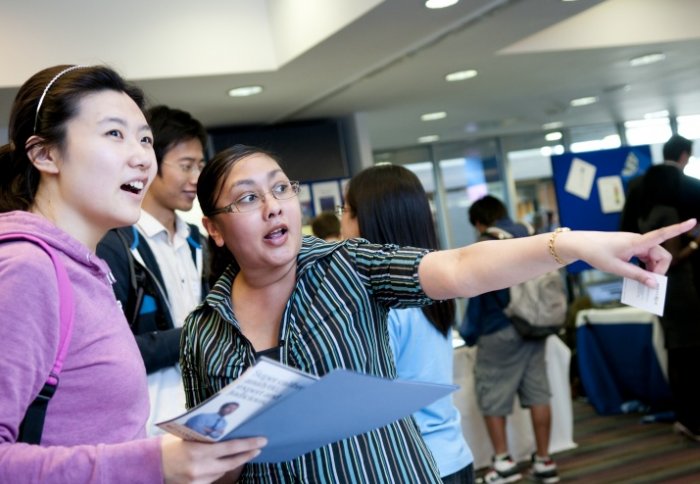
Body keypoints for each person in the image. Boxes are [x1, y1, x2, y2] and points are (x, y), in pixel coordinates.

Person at [180, 143, 692, 483]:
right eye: (248, 198)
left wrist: (575, 244)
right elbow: (211, 465)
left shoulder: (346, 264)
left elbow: (462, 267)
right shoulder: (203, 332)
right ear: (215, 228)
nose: (273, 206)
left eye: (280, 188)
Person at [0, 64, 265, 483]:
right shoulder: (27, 270)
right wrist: (154, 462)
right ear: (45, 154)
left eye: (145, 139)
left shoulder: (84, 269)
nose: (143, 157)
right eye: (114, 134)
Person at [340, 164, 475, 483]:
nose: (341, 223)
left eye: (344, 210)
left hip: (409, 465)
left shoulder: (383, 303)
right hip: (452, 455)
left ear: (367, 221)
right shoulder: (433, 291)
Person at [96, 104, 208, 435]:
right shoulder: (114, 245)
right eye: (186, 166)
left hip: (204, 418)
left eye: (201, 165)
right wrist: (199, 335)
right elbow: (114, 353)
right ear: (151, 162)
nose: (196, 178)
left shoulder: (199, 242)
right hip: (146, 428)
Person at [463, 195, 561, 484]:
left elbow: (477, 295)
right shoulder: (530, 233)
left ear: (480, 222)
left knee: (492, 393)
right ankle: (544, 460)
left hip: (499, 328)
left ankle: (503, 462)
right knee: (538, 393)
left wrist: (469, 333)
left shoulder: (485, 244)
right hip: (536, 325)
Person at [620, 134, 700, 443]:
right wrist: (693, 242)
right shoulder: (684, 195)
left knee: (677, 352)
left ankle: (686, 416)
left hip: (656, 286)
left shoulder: (639, 193)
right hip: (683, 286)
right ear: (683, 157)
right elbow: (676, 256)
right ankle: (692, 418)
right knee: (690, 354)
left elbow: (623, 235)